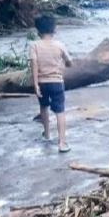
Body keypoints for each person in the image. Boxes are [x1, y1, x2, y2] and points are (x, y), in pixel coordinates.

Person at [29, 13, 73, 153]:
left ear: (37, 31)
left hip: (41, 82)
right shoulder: (59, 45)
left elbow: (34, 65)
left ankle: (47, 134)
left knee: (43, 106)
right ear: (54, 30)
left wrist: (35, 84)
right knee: (60, 111)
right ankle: (61, 142)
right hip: (56, 82)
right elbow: (69, 62)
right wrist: (65, 63)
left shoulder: (34, 45)